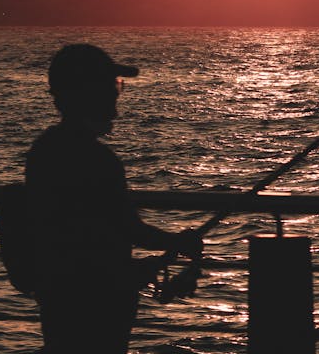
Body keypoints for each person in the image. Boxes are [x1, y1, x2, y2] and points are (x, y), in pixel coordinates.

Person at [25, 43, 203, 353]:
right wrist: (178, 242)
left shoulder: (43, 150)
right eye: (110, 86)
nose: (115, 96)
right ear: (86, 92)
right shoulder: (96, 160)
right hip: (97, 303)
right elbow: (125, 230)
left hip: (58, 297)